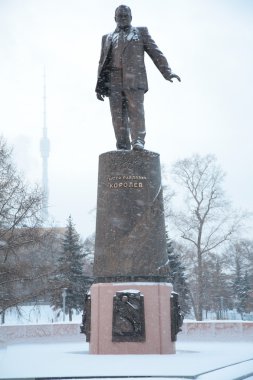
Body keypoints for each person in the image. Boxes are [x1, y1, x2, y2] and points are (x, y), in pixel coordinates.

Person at [96, 5, 181, 151]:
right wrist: (99, 85)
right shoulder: (107, 38)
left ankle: (138, 141)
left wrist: (167, 72)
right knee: (117, 116)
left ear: (131, 17)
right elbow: (102, 61)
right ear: (115, 18)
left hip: (134, 79)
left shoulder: (140, 33)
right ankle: (122, 145)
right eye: (120, 15)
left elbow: (156, 53)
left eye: (126, 15)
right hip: (113, 80)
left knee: (136, 112)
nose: (123, 18)